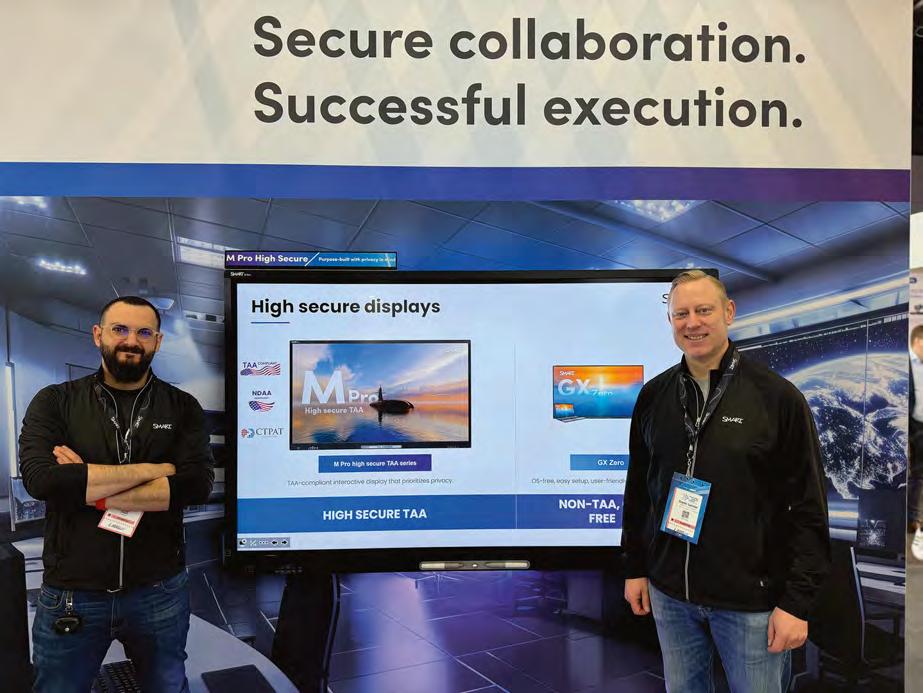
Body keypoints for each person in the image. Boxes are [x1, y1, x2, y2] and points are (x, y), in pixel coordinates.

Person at [621, 270, 830, 692]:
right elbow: (640, 489)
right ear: (670, 320)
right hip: (670, 595)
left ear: (728, 312)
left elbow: (809, 508)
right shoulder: (654, 396)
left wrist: (796, 603)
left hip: (751, 602)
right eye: (681, 314)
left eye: (703, 310)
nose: (692, 323)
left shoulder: (777, 398)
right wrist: (635, 568)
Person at [19, 296, 214, 692]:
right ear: (98, 335)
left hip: (159, 591)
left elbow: (196, 485)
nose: (131, 341)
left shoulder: (182, 407)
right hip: (72, 593)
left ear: (158, 341)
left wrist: (86, 485)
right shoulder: (55, 401)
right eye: (120, 329)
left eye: (144, 332)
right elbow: (42, 481)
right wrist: (156, 471)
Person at [908, 324, 923, 560]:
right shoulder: (905, 363)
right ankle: (913, 518)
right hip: (913, 426)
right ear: (919, 341)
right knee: (917, 473)